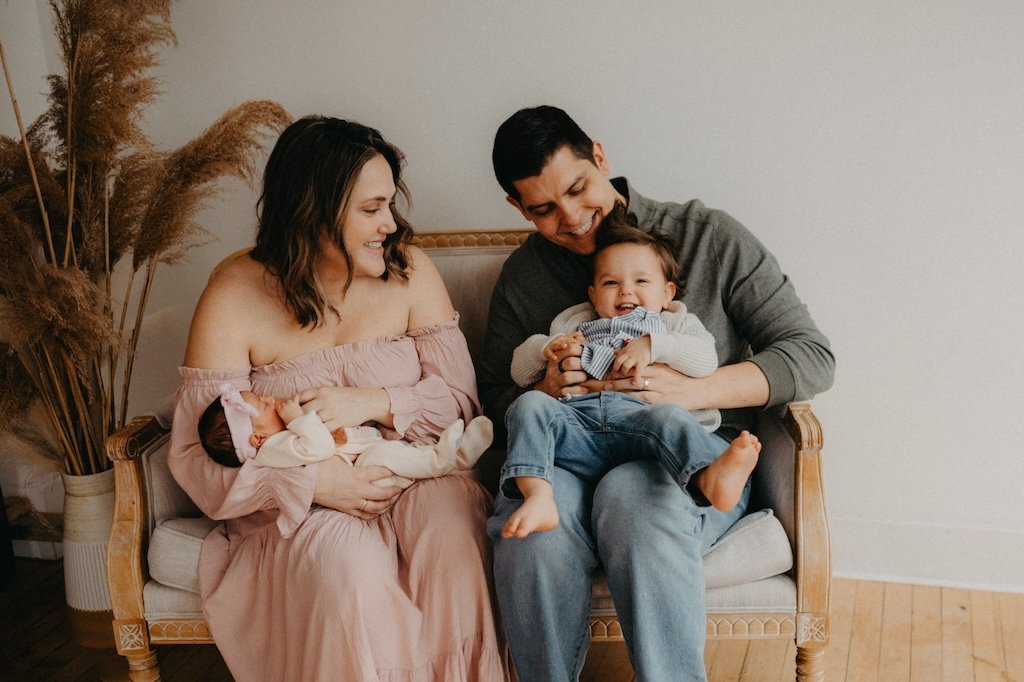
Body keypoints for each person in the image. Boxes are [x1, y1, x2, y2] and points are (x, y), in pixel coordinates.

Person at [480, 105, 835, 681]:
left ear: (600, 157)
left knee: (633, 501)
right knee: (531, 532)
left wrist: (693, 389)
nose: (571, 219)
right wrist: (543, 382)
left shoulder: (707, 236)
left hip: (675, 456)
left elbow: (810, 354)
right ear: (517, 208)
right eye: (543, 209)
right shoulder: (526, 276)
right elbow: (494, 391)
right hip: (568, 456)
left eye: (577, 188)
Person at [169, 115, 512, 681]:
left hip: (417, 476)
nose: (391, 226)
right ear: (314, 212)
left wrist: (372, 400)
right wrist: (316, 483)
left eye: (390, 206)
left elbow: (461, 404)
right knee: (347, 568)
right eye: (372, 209)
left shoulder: (410, 271)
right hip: (298, 507)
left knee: (452, 529)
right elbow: (201, 455)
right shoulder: (234, 291)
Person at [500, 207, 761, 539]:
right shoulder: (572, 324)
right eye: (611, 282)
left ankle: (706, 477)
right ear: (593, 294)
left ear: (667, 294)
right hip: (581, 432)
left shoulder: (674, 323)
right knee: (527, 406)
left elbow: (705, 360)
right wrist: (546, 349)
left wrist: (655, 345)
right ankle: (538, 495)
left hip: (644, 431)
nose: (625, 291)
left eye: (640, 281)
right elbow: (518, 373)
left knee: (672, 417)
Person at [198, 383, 493, 489]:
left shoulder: (282, 437)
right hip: (365, 472)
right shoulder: (275, 449)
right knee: (387, 455)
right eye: (263, 404)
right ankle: (445, 460)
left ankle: (451, 453)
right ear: (258, 439)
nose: (270, 397)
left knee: (396, 451)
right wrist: (298, 419)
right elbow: (321, 446)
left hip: (363, 452)